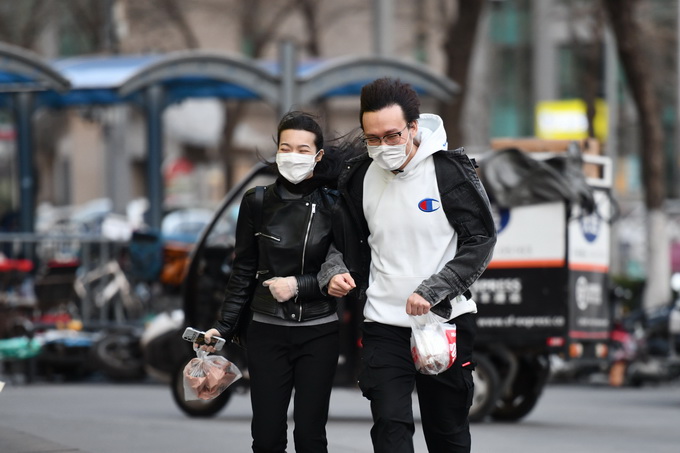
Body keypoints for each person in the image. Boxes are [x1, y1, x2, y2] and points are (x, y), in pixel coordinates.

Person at [320, 77, 497, 453]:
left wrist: (435, 289)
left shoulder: (450, 172)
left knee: (446, 432)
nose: (382, 147)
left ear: (414, 127)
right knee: (390, 426)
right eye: (372, 138)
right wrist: (333, 270)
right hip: (384, 323)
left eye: (392, 135)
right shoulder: (359, 177)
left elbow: (481, 240)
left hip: (444, 322)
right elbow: (346, 243)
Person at [200, 111, 358, 453]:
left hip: (319, 329)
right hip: (266, 331)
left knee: (310, 437)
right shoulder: (256, 201)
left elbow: (348, 271)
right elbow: (243, 270)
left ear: (317, 156)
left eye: (303, 150)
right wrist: (222, 328)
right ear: (276, 150)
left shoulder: (335, 204)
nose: (293, 156)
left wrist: (298, 285)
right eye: (286, 147)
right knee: (267, 436)